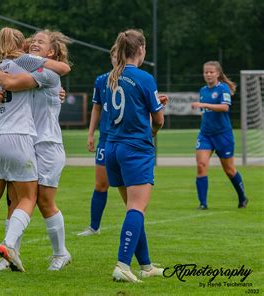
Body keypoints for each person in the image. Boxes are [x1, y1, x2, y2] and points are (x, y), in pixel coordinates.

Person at [0, 27, 70, 272]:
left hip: (46, 144)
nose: (35, 43)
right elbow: (8, 85)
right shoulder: (29, 66)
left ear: (52, 51)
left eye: (41, 41)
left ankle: (60, 253)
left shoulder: (47, 74)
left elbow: (11, 82)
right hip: (24, 141)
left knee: (44, 202)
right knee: (15, 200)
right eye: (33, 40)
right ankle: (8, 256)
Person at [104, 29, 166, 283]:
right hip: (135, 149)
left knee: (132, 208)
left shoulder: (111, 76)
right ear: (141, 49)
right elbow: (158, 120)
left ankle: (146, 266)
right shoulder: (144, 77)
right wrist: (152, 129)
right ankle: (122, 264)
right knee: (137, 208)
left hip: (113, 148)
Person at [191, 61, 248, 209]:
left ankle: (242, 197)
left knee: (229, 170)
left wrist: (203, 105)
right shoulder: (203, 90)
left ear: (218, 73)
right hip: (206, 135)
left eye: (211, 72)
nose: (208, 74)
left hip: (223, 135)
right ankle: (203, 204)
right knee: (201, 165)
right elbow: (206, 114)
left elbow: (224, 107)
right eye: (206, 72)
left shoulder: (222, 89)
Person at [78, 44, 117, 237]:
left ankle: (136, 224)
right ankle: (94, 227)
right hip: (106, 139)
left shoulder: (134, 79)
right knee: (101, 184)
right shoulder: (101, 80)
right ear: (111, 58)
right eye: (115, 56)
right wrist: (91, 133)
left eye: (121, 55)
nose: (118, 59)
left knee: (128, 186)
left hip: (126, 139)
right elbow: (96, 108)